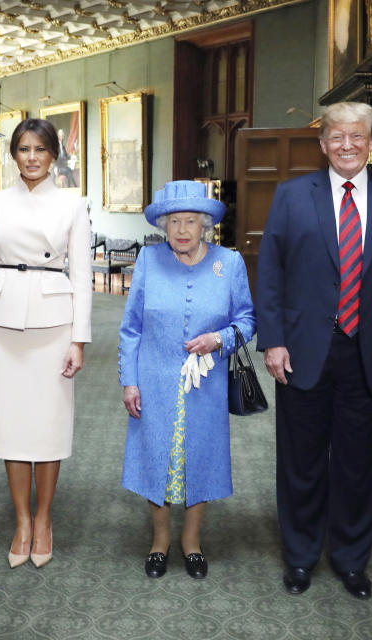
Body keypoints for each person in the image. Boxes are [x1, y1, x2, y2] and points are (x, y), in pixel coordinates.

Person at [256, 102, 372, 599]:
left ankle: (352, 558)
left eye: (356, 136)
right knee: (301, 461)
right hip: (304, 350)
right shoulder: (291, 196)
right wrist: (273, 341)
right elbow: (271, 276)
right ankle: (301, 556)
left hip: (369, 353)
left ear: (371, 142)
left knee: (357, 462)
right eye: (336, 137)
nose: (346, 145)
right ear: (323, 143)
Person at [0, 118, 92, 569]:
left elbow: (82, 275)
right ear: (13, 155)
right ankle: (21, 520)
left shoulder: (73, 205)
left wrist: (79, 340)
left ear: (54, 154)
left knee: (48, 428)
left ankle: (44, 519)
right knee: (11, 426)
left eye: (40, 149)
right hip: (1, 325)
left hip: (54, 324)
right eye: (23, 149)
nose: (32, 157)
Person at [119, 180, 255, 580]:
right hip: (155, 379)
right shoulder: (147, 259)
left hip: (206, 385)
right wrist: (130, 380)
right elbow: (131, 328)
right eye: (174, 221)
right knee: (154, 458)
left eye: (190, 221)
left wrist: (219, 339)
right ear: (163, 224)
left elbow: (247, 321)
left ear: (205, 225)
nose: (181, 230)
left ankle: (191, 542)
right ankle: (159, 541)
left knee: (201, 459)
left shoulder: (229, 263)